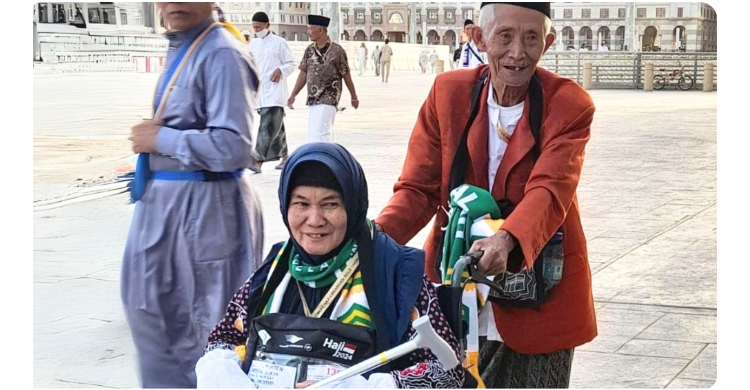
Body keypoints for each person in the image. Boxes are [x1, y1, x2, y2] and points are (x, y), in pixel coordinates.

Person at [375, 2, 597, 388]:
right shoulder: (449, 94)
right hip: (455, 284)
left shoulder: (569, 104)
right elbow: (418, 189)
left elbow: (550, 188)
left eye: (531, 38)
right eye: (505, 36)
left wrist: (507, 239)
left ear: (548, 42)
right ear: (479, 38)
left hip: (540, 290)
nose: (517, 52)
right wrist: (368, 243)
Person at [195, 143, 475, 389]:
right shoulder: (274, 273)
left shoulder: (395, 274)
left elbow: (446, 373)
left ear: (352, 207)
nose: (314, 220)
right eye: (301, 204)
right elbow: (222, 340)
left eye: (330, 205)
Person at [122, 2, 264, 388]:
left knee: (206, 337)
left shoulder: (221, 52)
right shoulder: (188, 45)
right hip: (172, 211)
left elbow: (234, 146)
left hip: (205, 215)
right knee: (156, 323)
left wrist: (161, 139)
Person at [288, 15, 359, 143]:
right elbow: (303, 73)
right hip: (313, 98)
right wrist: (293, 94)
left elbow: (346, 74)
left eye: (310, 29)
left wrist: (353, 96)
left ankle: (321, 160)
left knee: (321, 133)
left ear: (320, 30)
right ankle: (323, 157)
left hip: (329, 98)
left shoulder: (337, 51)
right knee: (313, 133)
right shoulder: (309, 50)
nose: (308, 32)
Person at [248, 12, 296, 173]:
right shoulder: (253, 44)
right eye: (254, 27)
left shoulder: (279, 43)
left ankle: (257, 161)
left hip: (275, 92)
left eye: (259, 27)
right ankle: (285, 155)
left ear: (267, 25)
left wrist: (280, 70)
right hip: (261, 92)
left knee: (267, 126)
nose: (256, 30)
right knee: (276, 125)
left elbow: (291, 63)